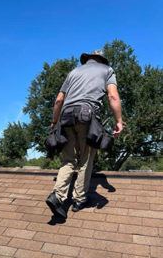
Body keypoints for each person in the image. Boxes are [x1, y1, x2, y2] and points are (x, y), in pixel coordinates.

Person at [46, 49, 124, 218]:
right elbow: (112, 96)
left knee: (68, 160)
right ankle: (79, 199)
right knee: (85, 159)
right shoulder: (107, 71)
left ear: (88, 59)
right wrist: (118, 121)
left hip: (65, 118)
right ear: (102, 60)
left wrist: (54, 122)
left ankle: (57, 196)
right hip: (87, 117)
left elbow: (59, 100)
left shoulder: (73, 72)